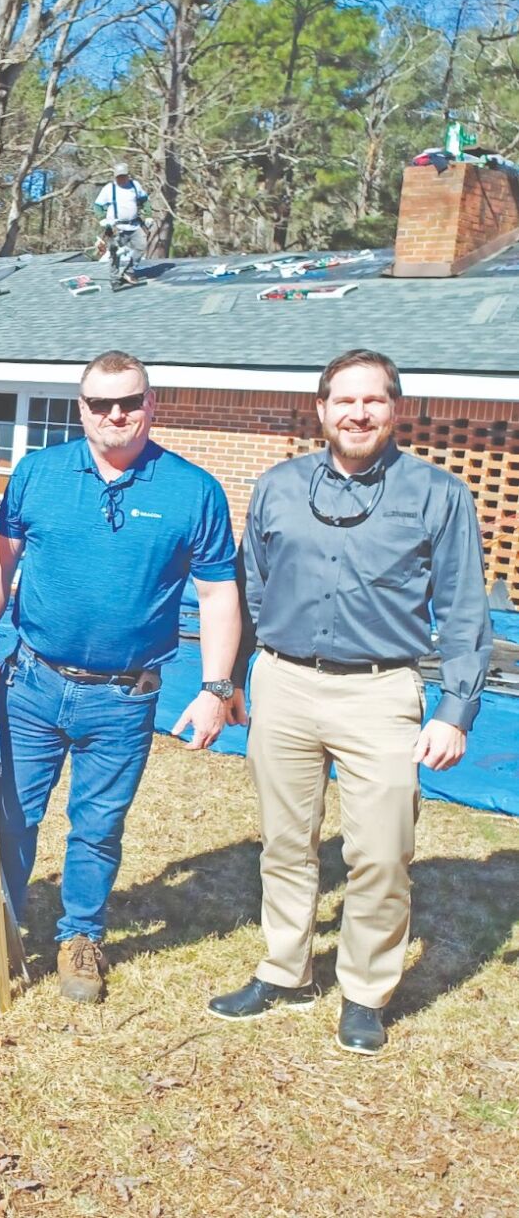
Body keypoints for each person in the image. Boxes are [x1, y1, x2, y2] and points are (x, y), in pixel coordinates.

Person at [209, 349, 491, 1056]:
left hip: (380, 690)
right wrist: (234, 681)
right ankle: (284, 967)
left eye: (373, 401)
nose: (357, 413)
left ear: (396, 410)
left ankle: (365, 991)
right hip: (284, 683)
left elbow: (463, 612)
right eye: (344, 401)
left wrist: (455, 711)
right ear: (322, 409)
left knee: (382, 852)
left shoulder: (439, 496)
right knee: (286, 842)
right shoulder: (277, 487)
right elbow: (250, 590)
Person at [0, 351, 242, 1004]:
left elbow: (219, 596)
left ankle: (81, 937)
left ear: (151, 405)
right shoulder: (39, 474)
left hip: (124, 697)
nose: (115, 415)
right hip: (33, 684)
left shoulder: (194, 491)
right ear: (81, 409)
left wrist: (217, 688)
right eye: (100, 404)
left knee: (98, 824)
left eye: (129, 401)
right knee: (11, 813)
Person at [94, 163, 150, 289]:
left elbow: (144, 200)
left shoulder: (135, 186)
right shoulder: (109, 188)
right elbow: (97, 206)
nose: (121, 179)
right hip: (116, 227)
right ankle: (114, 278)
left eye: (123, 176)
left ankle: (129, 272)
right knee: (115, 252)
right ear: (115, 177)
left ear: (127, 175)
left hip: (134, 225)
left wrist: (149, 215)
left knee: (141, 246)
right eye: (118, 177)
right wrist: (103, 219)